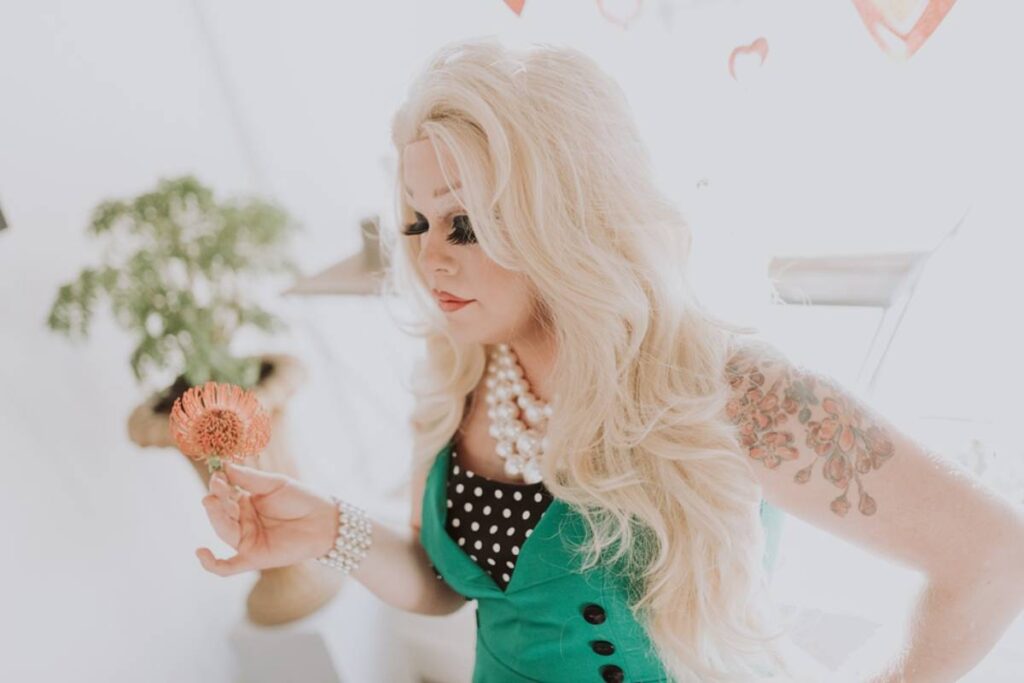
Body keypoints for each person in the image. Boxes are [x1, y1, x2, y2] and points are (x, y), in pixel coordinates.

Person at [196, 37, 1024, 683]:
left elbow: (993, 556)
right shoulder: (464, 370)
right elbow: (447, 584)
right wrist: (330, 529)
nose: (429, 257)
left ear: (565, 215)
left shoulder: (724, 388)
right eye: (416, 221)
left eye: (466, 224)